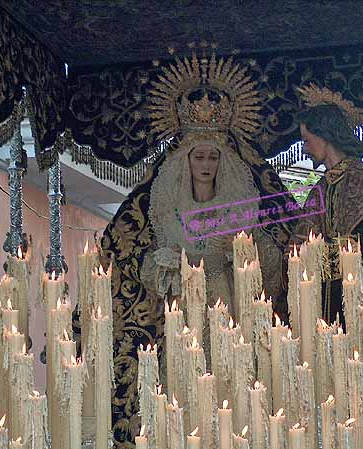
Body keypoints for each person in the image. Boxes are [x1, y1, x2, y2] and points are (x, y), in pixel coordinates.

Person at [98, 51, 292, 446]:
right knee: (181, 397)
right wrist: (164, 264)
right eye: (199, 156)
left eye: (212, 157)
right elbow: (146, 269)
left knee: (233, 391)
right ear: (186, 162)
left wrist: (248, 253)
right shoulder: (167, 209)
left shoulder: (239, 208)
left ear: (223, 163)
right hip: (184, 311)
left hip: (227, 304)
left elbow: (269, 272)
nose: (205, 164)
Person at [292, 84, 363, 323]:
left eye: (307, 141)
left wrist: (332, 252)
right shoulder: (319, 189)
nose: (305, 149)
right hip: (327, 301)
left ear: (324, 136)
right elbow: (299, 245)